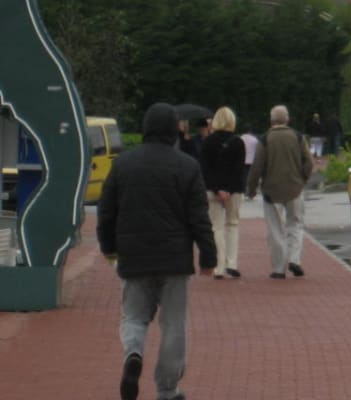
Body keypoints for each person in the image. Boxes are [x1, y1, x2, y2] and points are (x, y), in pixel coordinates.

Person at [97, 102, 216, 400]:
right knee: (173, 325)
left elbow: (106, 210)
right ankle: (166, 389)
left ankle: (133, 353)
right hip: (175, 260)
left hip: (133, 256)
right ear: (174, 129)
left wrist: (109, 247)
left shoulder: (122, 164)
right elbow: (199, 217)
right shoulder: (187, 166)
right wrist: (208, 256)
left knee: (134, 316)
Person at [246, 105, 314, 279]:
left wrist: (251, 189)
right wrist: (303, 179)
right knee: (296, 224)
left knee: (275, 230)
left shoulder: (265, 139)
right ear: (287, 119)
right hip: (295, 188)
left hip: (271, 191)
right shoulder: (298, 137)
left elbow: (257, 167)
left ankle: (279, 268)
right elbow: (308, 162)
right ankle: (295, 259)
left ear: (271, 120)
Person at [200, 106, 246, 279]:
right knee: (232, 224)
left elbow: (205, 169)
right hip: (233, 190)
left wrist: (217, 187)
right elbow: (238, 169)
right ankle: (231, 264)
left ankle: (218, 266)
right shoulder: (237, 142)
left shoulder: (208, 142)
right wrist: (227, 188)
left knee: (216, 227)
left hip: (212, 190)